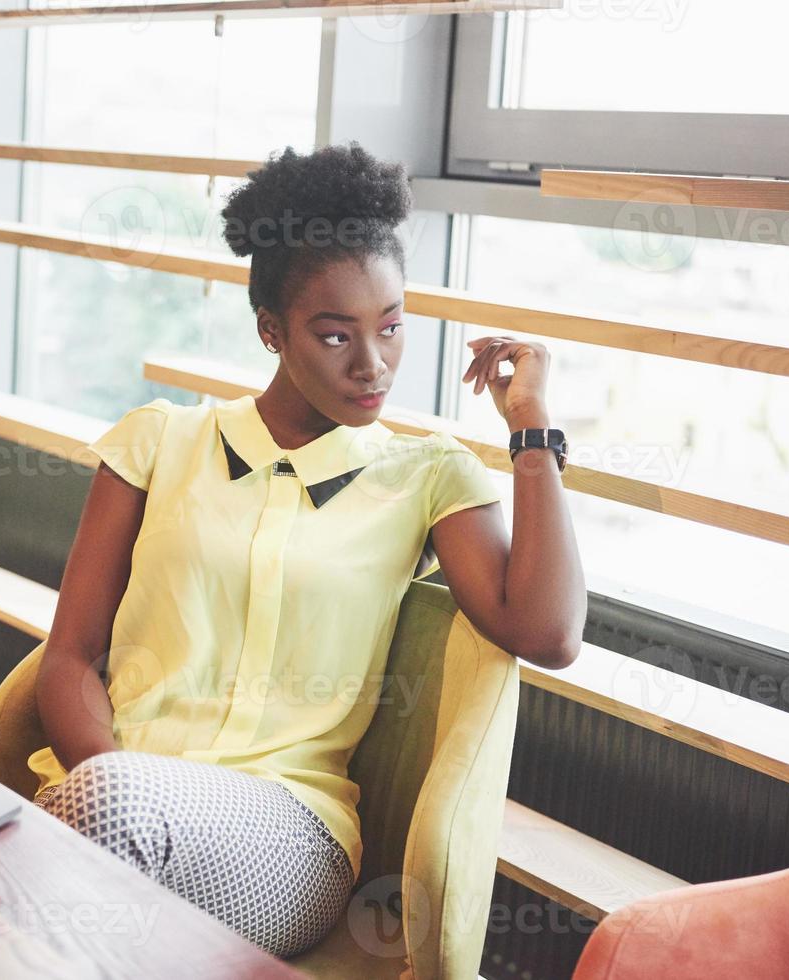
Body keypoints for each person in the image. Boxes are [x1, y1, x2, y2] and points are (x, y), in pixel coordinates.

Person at [28, 142, 586, 958]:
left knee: (19, 896)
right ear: (270, 330)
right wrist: (106, 777)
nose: (373, 365)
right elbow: (70, 654)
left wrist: (530, 431)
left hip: (287, 837)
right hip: (107, 793)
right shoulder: (160, 440)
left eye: (390, 328)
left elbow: (547, 633)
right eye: (335, 337)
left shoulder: (425, 474)